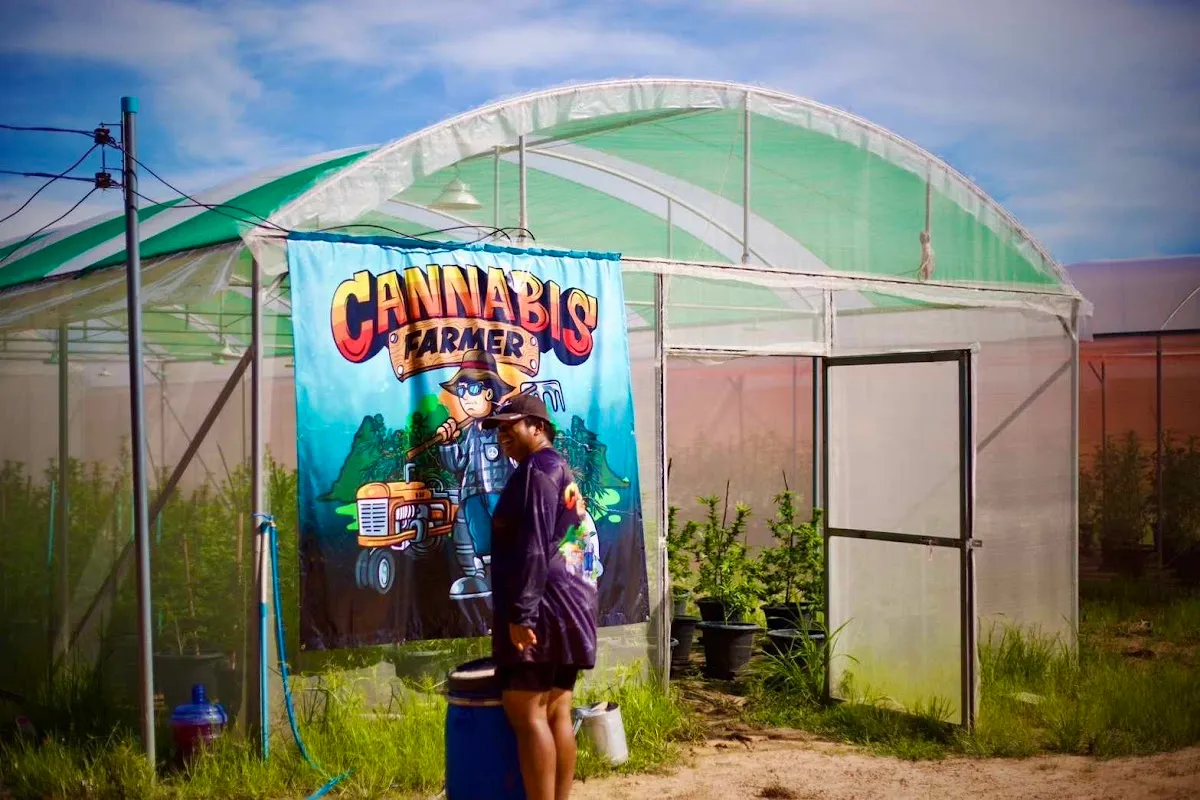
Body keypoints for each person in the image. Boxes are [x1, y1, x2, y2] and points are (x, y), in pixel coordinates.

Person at [482, 392, 599, 800]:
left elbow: (533, 545)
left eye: (510, 426)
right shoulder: (557, 468)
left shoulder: (536, 470)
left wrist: (523, 614)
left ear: (537, 427)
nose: (502, 436)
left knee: (525, 710)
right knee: (555, 710)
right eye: (498, 429)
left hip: (545, 604)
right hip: (573, 602)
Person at [434, 348, 516, 599]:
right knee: (479, 534)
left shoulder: (503, 426)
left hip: (500, 491)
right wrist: (448, 443)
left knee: (506, 532)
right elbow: (457, 463)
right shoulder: (470, 432)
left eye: (472, 389)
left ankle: (513, 572)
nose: (466, 398)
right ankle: (485, 576)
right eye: (461, 391)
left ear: (490, 392)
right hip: (471, 493)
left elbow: (516, 457)